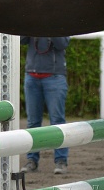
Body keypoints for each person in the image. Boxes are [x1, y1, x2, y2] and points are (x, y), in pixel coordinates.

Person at [20, 36, 71, 174]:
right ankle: (32, 160)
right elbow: (20, 39)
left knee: (58, 122)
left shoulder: (60, 20)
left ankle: (61, 161)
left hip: (54, 76)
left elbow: (62, 44)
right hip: (32, 75)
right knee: (32, 122)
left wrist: (50, 27)